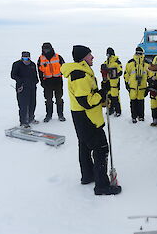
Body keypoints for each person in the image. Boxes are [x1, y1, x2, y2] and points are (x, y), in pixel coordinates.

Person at [61, 45, 121, 196]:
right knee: (101, 148)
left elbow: (89, 95)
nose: (92, 57)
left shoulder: (81, 72)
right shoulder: (80, 75)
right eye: (89, 55)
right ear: (83, 58)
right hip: (87, 118)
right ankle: (102, 186)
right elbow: (86, 101)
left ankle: (88, 176)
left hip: (82, 116)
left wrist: (102, 92)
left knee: (85, 146)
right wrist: (102, 94)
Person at [37, 42, 66, 122]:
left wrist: (63, 74)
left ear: (51, 48)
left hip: (58, 80)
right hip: (47, 82)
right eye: (45, 49)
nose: (46, 51)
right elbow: (39, 71)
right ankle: (48, 115)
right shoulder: (40, 59)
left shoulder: (58, 57)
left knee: (59, 98)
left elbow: (64, 67)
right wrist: (42, 81)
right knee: (48, 99)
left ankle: (60, 115)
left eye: (48, 49)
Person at [11, 51, 39, 128]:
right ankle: (23, 122)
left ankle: (31, 118)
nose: (25, 59)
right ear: (22, 57)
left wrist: (36, 80)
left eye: (27, 57)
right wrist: (20, 81)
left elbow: (35, 73)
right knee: (23, 105)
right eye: (24, 57)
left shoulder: (32, 64)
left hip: (32, 87)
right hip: (22, 88)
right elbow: (13, 75)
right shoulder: (17, 64)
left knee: (32, 103)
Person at [124, 47, 149, 123]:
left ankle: (141, 116)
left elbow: (150, 75)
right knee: (133, 102)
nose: (139, 54)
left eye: (140, 53)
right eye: (137, 53)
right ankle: (134, 116)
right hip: (133, 87)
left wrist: (149, 86)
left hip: (142, 87)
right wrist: (127, 84)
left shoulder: (146, 63)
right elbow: (126, 74)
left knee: (141, 102)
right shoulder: (130, 63)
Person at [103, 47, 123, 117]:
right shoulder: (106, 62)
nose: (108, 56)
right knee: (109, 96)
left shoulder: (117, 62)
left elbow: (120, 72)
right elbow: (103, 72)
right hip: (108, 82)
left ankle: (118, 111)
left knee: (115, 97)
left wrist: (113, 72)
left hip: (115, 82)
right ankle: (110, 109)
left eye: (109, 54)